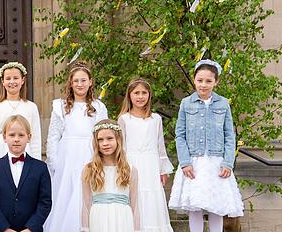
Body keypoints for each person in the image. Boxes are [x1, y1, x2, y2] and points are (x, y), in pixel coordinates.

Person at [169, 59, 244, 232]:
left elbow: (229, 135)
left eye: (208, 81)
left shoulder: (223, 104)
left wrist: (227, 163)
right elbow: (180, 135)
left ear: (216, 82)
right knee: (195, 207)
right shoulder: (186, 104)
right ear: (194, 80)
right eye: (200, 80)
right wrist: (185, 162)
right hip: (194, 163)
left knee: (215, 206)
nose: (203, 85)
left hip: (216, 162)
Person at [44, 61, 108, 232]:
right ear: (71, 83)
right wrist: (54, 162)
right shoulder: (61, 106)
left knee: (87, 194)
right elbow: (53, 136)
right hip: (67, 157)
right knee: (66, 195)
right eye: (76, 81)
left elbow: (103, 135)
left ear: (90, 82)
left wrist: (102, 160)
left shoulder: (98, 107)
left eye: (83, 80)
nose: (80, 84)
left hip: (90, 155)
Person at [118, 78, 173, 232]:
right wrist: (122, 168)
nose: (140, 96)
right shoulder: (124, 119)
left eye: (144, 93)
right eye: (136, 93)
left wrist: (163, 169)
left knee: (152, 200)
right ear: (129, 95)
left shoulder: (156, 119)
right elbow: (121, 148)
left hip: (151, 165)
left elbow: (160, 146)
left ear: (149, 95)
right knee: (135, 198)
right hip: (132, 164)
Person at [0, 115, 51, 232]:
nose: (16, 139)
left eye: (21, 135)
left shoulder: (41, 168)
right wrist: (5, 228)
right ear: (4, 137)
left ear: (29, 137)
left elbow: (45, 202)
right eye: (12, 135)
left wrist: (30, 228)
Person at [0, 62, 42, 184]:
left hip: (24, 149)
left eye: (16, 78)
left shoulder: (31, 107)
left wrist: (37, 163)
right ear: (3, 81)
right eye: (8, 78)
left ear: (22, 80)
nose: (12, 82)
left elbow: (36, 138)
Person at [81, 120, 141, 232]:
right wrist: (85, 228)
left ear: (118, 140)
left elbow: (135, 204)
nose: (105, 143)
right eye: (100, 140)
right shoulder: (89, 169)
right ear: (95, 143)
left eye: (109, 138)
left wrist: (137, 230)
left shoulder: (130, 170)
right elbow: (85, 204)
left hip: (123, 220)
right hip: (98, 219)